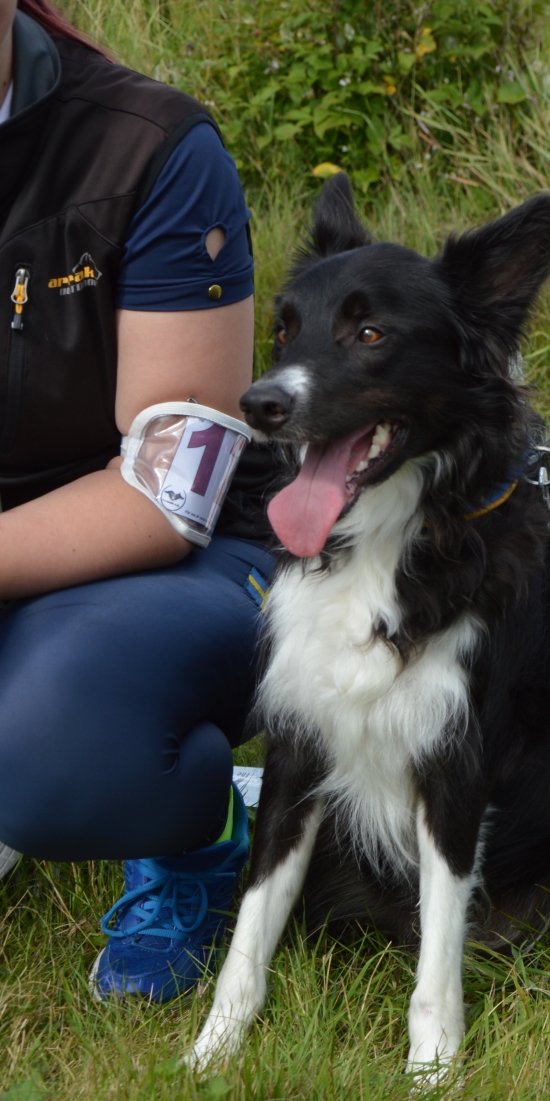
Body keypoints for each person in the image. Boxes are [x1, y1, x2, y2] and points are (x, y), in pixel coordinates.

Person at [0, 0, 278, 1000]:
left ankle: (193, 834)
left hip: (163, 560)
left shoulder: (152, 148)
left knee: (57, 751)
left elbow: (169, 494)